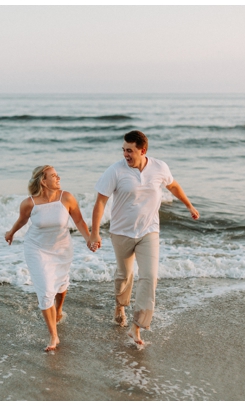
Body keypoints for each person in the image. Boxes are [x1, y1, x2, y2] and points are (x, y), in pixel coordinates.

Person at [89, 130, 199, 347]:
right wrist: (94, 232)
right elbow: (100, 201)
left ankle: (136, 327)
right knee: (124, 274)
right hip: (121, 232)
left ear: (143, 150)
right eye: (123, 150)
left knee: (149, 276)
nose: (125, 154)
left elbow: (173, 185)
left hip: (149, 231)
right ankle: (120, 305)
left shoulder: (159, 167)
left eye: (129, 150)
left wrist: (189, 205)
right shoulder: (115, 171)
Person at [5, 165, 93, 353]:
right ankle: (53, 334)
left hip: (62, 250)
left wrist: (89, 239)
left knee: (61, 286)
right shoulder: (30, 203)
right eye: (53, 176)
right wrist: (11, 232)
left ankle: (59, 310)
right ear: (43, 181)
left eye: (57, 175)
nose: (58, 177)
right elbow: (22, 220)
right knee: (45, 292)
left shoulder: (66, 197)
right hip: (36, 249)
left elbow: (79, 221)